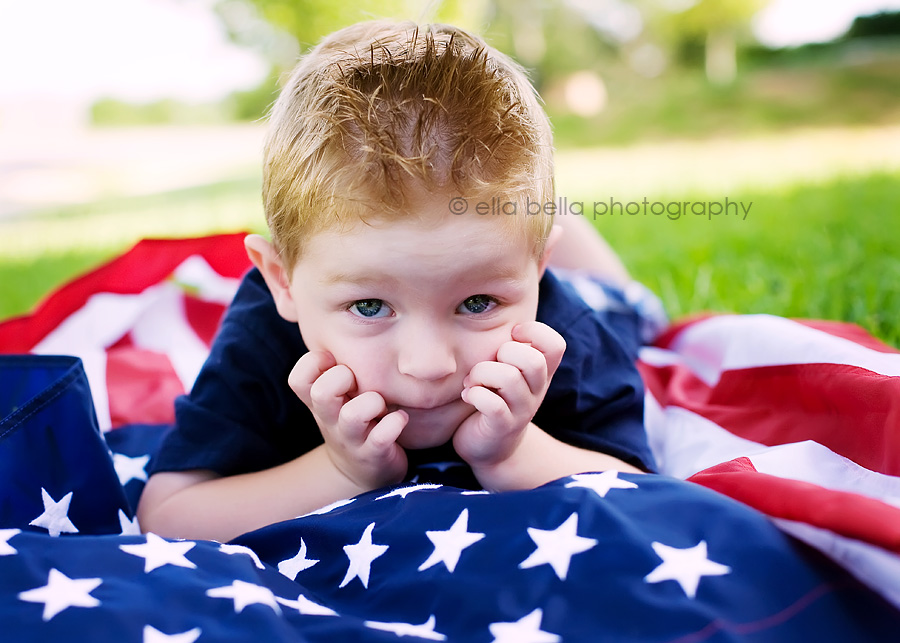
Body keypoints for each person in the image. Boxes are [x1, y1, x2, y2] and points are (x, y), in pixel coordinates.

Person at [137, 20, 661, 542]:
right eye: (369, 307)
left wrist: (512, 452)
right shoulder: (262, 334)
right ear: (283, 282)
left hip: (602, 300)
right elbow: (170, 514)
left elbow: (642, 492)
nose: (429, 366)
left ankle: (556, 227)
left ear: (536, 275)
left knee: (634, 305)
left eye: (478, 301)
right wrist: (342, 470)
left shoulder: (563, 332)